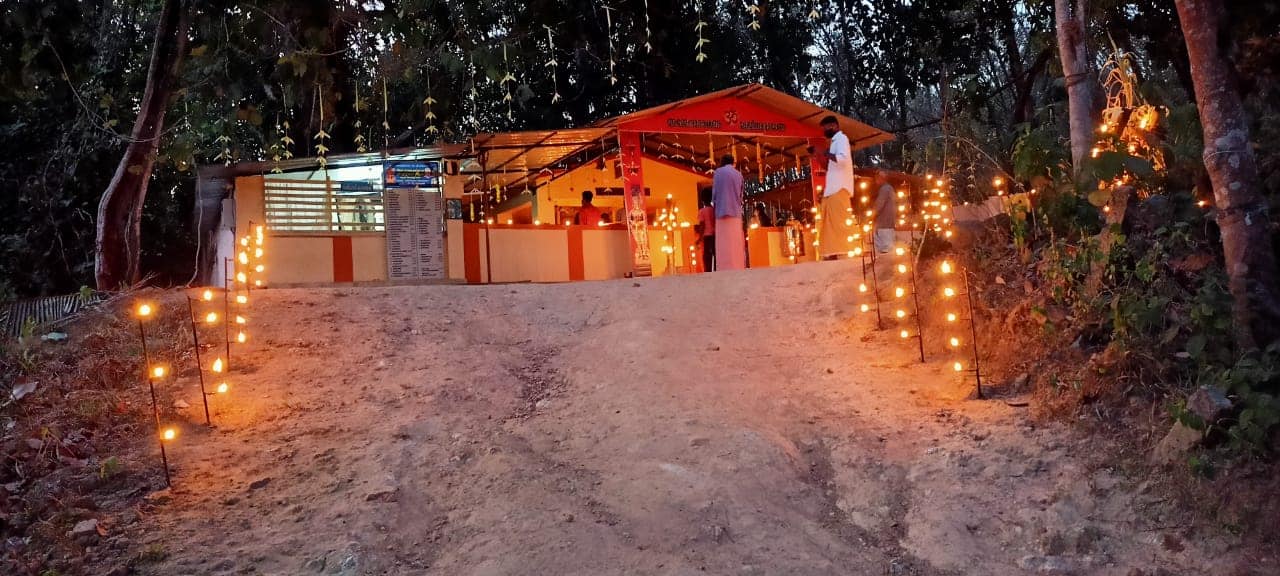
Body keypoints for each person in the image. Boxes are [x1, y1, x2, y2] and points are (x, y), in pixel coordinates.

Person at [817, 115, 855, 259]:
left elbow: (842, 159)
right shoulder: (834, 142)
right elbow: (830, 167)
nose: (825, 131)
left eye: (826, 128)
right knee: (829, 225)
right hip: (832, 189)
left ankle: (844, 253)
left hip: (839, 188)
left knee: (839, 224)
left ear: (834, 126)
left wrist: (826, 153)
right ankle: (833, 253)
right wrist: (818, 155)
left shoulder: (842, 139)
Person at [711, 154, 746, 270]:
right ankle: (738, 266)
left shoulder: (718, 173)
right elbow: (741, 195)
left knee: (723, 243)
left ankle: (724, 267)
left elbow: (715, 193)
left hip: (721, 212)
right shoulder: (739, 174)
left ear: (722, 161)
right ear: (733, 163)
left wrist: (715, 205)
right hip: (735, 212)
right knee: (735, 242)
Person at [871, 169, 896, 254]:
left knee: (886, 251)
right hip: (885, 225)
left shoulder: (885, 189)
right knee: (884, 250)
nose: (875, 180)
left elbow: (879, 205)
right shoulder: (888, 189)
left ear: (881, 178)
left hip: (884, 225)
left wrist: (870, 216)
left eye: (876, 178)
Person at [697, 187, 716, 272]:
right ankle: (716, 269)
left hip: (707, 236)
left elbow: (702, 226)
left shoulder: (702, 211)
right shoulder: (714, 210)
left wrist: (699, 238)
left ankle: (708, 271)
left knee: (707, 256)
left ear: (702, 199)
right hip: (715, 235)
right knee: (715, 253)